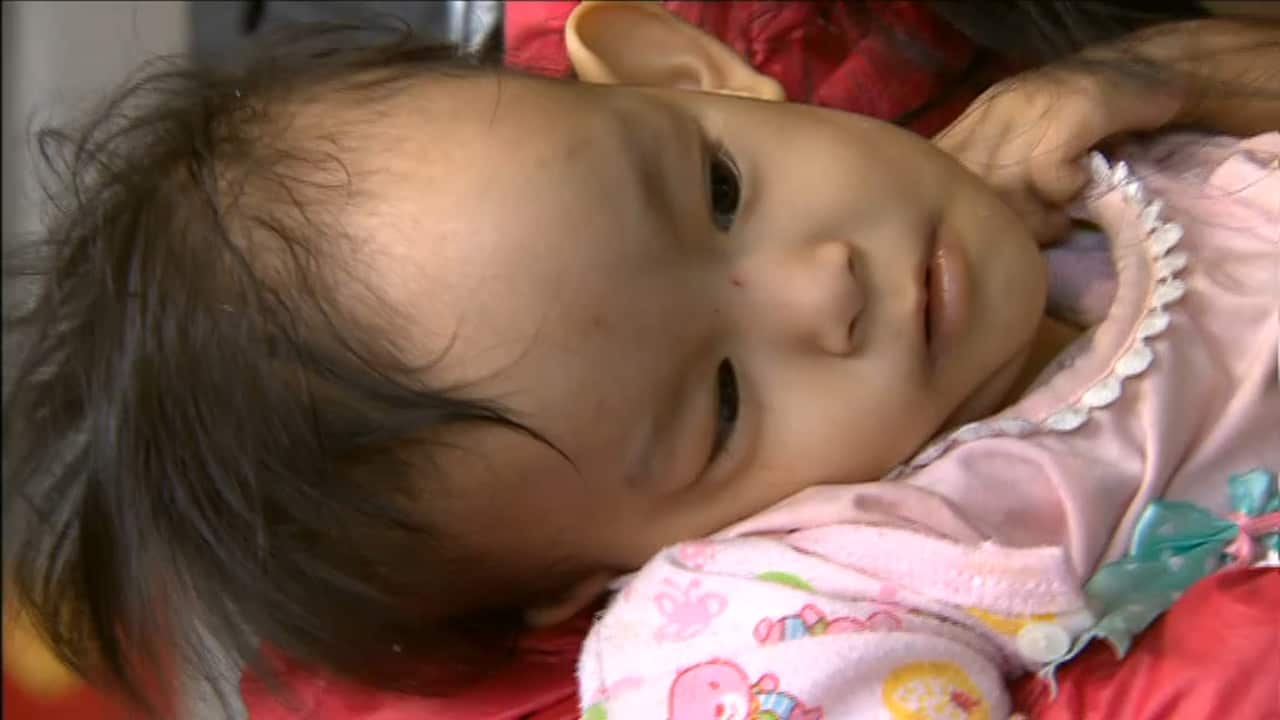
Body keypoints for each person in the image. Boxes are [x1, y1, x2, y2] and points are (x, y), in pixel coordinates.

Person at [3, 2, 1276, 717]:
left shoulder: (1085, 166)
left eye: (719, 190)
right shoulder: (815, 585)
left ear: (699, 74)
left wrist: (1155, 81)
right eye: (719, 403)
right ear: (633, 571)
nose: (819, 282)